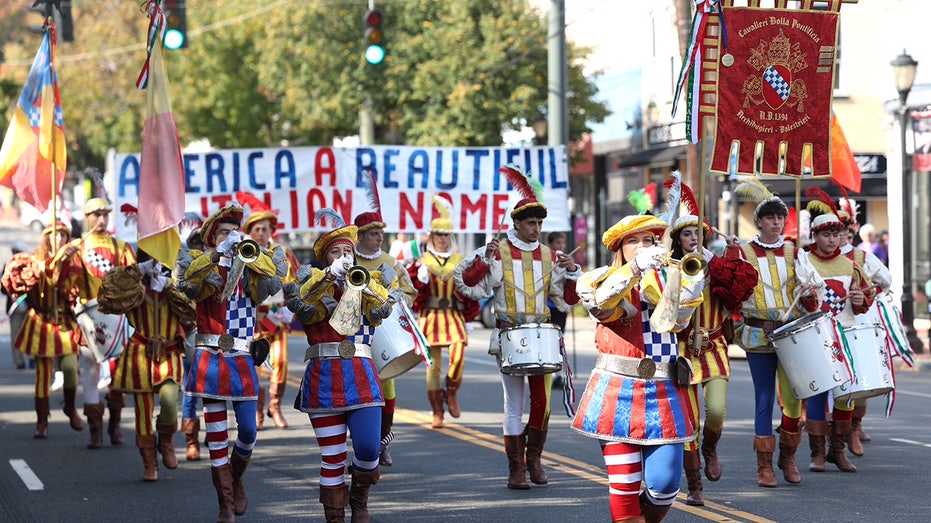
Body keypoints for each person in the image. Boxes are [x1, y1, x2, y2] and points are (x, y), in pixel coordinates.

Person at [569, 213, 704, 522]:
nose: (643, 246)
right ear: (619, 248)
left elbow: (680, 321)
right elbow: (602, 306)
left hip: (664, 391)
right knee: (625, 484)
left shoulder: (669, 278)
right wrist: (635, 269)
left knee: (665, 484)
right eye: (633, 241)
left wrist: (690, 287)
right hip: (618, 390)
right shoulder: (597, 278)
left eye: (648, 240)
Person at [454, 164, 582, 490]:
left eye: (540, 223)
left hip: (541, 336)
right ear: (517, 223)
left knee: (544, 403)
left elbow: (566, 301)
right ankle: (516, 469)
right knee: (514, 404)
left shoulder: (551, 255)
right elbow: (469, 287)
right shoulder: (499, 251)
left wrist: (570, 271)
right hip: (509, 336)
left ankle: (534, 458)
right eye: (531, 223)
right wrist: (484, 260)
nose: (537, 228)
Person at [175, 203, 284, 521]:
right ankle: (225, 503)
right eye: (224, 232)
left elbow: (271, 288)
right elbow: (187, 286)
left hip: (242, 359)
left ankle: (234, 479)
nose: (231, 237)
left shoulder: (250, 266)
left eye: (234, 232)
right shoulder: (199, 263)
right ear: (212, 238)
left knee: (249, 432)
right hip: (212, 358)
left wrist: (253, 256)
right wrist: (215, 257)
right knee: (218, 437)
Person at [284, 208, 395, 523]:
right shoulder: (311, 284)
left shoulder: (364, 283)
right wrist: (329, 276)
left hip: (362, 375)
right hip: (325, 378)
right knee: (332, 458)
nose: (344, 256)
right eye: (337, 252)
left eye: (348, 251)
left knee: (368, 448)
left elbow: (383, 309)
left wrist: (363, 285)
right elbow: (303, 307)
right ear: (325, 258)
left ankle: (359, 500)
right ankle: (335, 517)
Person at [731, 179, 823, 488]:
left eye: (780, 217)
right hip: (758, 335)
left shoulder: (795, 252)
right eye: (770, 218)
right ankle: (764, 467)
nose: (776, 222)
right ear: (758, 222)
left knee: (794, 401)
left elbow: (811, 301)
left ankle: (788, 457)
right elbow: (731, 295)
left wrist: (809, 294)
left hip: (791, 335)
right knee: (764, 399)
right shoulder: (742, 251)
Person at [667, 201, 757, 505]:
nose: (694, 238)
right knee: (689, 422)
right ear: (678, 240)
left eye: (698, 234)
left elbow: (739, 293)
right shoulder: (669, 268)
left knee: (716, 411)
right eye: (688, 234)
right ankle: (695, 485)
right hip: (682, 349)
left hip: (715, 346)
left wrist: (729, 258)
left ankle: (710, 448)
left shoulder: (716, 262)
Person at [98, 252, 195, 481]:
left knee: (170, 401)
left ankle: (167, 440)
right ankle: (149, 461)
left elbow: (193, 310)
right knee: (143, 414)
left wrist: (174, 284)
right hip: (139, 355)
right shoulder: (133, 286)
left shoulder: (177, 284)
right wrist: (138, 271)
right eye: (152, 258)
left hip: (169, 352)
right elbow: (107, 294)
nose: (157, 263)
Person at [801, 193, 876, 474]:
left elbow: (864, 300)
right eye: (827, 235)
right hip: (816, 339)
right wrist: (809, 300)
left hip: (846, 336)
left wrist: (860, 302)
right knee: (818, 396)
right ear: (816, 236)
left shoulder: (850, 265)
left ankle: (838, 451)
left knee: (846, 395)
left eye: (837, 234)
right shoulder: (804, 261)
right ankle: (817, 454)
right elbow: (799, 303)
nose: (833, 240)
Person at [352, 174, 418, 466]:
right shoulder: (348, 260)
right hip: (353, 335)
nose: (380, 237)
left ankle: (382, 442)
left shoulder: (392, 263)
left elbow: (409, 292)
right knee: (355, 388)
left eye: (381, 233)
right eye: (373, 233)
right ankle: (359, 442)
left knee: (387, 388)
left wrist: (396, 300)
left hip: (384, 334)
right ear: (360, 236)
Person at [2, 222, 84, 438]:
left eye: (63, 235)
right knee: (43, 375)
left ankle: (70, 407)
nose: (59, 239)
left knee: (70, 368)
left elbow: (75, 289)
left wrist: (67, 270)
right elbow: (12, 284)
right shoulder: (34, 260)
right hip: (41, 321)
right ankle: (41, 420)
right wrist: (35, 272)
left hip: (64, 321)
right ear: (47, 237)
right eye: (55, 235)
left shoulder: (72, 260)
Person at [69, 197, 136, 449]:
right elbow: (65, 284)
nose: (101, 219)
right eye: (96, 214)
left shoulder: (122, 247)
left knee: (118, 374)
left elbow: (133, 282)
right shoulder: (77, 248)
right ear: (87, 217)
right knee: (90, 374)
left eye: (105, 214)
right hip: (88, 318)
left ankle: (115, 424)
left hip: (116, 319)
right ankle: (95, 431)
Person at [408, 195, 476, 429]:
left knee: (457, 359)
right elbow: (413, 292)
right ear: (432, 236)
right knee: (433, 368)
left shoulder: (459, 260)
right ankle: (437, 411)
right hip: (431, 317)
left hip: (454, 317)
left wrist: (470, 316)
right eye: (439, 235)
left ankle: (452, 392)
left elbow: (469, 290)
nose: (443, 239)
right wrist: (420, 278)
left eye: (446, 235)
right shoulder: (422, 260)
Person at [838, 200, 892, 457]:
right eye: (833, 231)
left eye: (843, 230)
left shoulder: (862, 256)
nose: (839, 236)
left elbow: (885, 281)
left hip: (858, 324)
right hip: (829, 325)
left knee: (860, 379)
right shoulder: (815, 255)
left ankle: (853, 428)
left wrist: (867, 296)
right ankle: (828, 437)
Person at [239, 192, 296, 430]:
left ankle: (275, 406)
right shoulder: (244, 252)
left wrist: (289, 307)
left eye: (264, 229)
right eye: (256, 229)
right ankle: (257, 412)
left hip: (277, 319)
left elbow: (294, 284)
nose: (260, 233)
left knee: (280, 363)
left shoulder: (283, 252)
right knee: (255, 366)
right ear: (249, 232)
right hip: (252, 321)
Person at [2, 244, 32, 370]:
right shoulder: (7, 267)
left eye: (18, 252)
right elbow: (3, 287)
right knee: (16, 335)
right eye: (14, 252)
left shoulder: (31, 267)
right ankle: (19, 361)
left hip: (29, 306)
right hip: (14, 307)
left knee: (30, 334)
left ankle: (32, 358)